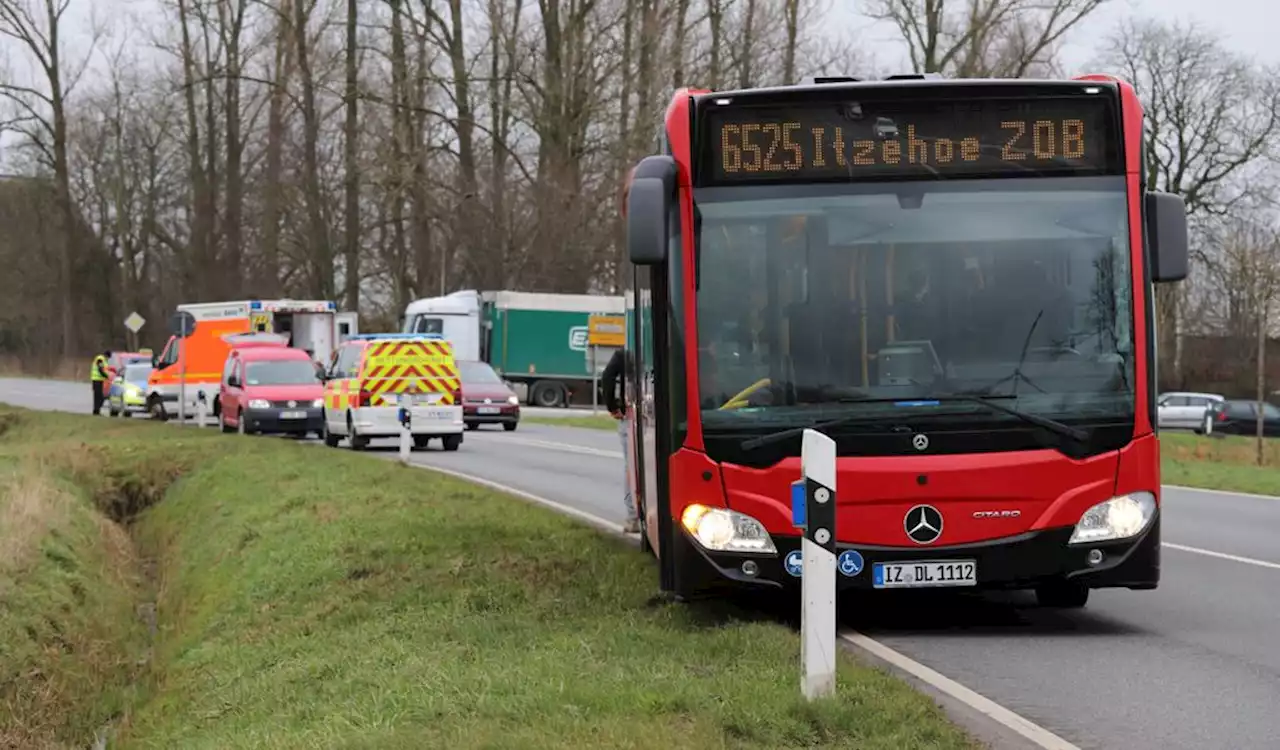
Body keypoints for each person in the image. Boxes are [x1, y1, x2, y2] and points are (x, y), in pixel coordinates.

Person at [602, 347, 640, 533]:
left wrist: (612, 406)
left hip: (630, 416)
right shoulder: (665, 344)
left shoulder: (624, 354)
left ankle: (633, 518)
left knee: (631, 466)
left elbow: (607, 377)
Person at [90, 349, 111, 415]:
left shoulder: (105, 361)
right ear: (106, 355)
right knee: (98, 396)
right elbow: (100, 369)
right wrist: (106, 376)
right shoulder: (100, 359)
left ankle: (97, 410)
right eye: (108, 357)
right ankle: (96, 411)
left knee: (100, 396)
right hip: (96, 380)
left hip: (100, 380)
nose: (108, 358)